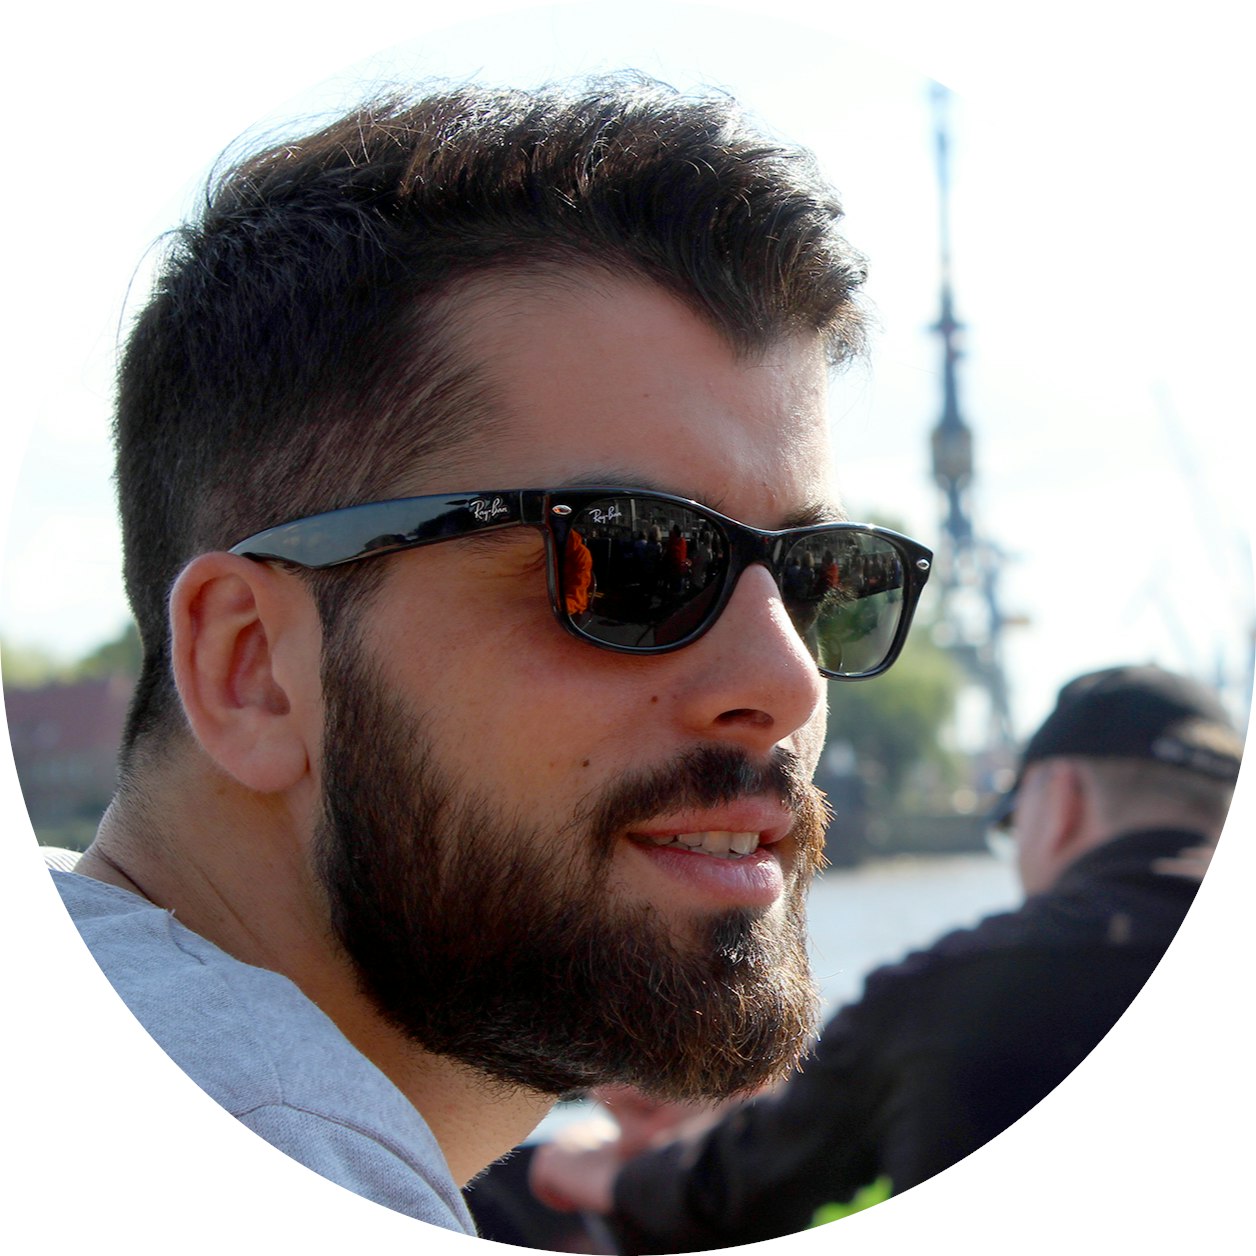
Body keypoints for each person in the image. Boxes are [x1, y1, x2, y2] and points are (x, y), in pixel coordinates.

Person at [39, 78, 934, 1235]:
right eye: (631, 563)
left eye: (817, 577)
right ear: (251, 666)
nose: (787, 682)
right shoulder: (256, 1138)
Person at [525, 663, 1243, 1251]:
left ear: (1060, 802)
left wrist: (597, 1175)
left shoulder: (959, 990)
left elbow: (743, 1193)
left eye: (1013, 825)